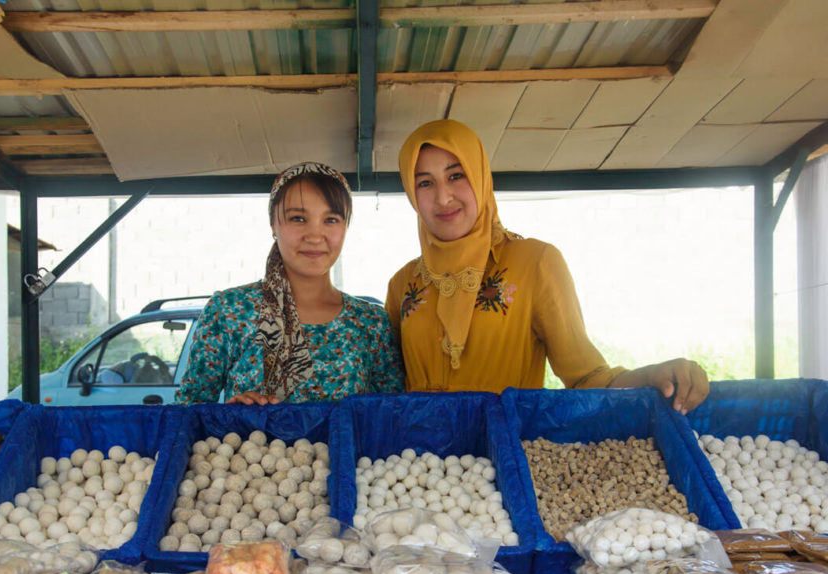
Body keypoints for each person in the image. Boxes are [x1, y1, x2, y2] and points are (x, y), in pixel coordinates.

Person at [385, 119, 709, 413]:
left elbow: (584, 377)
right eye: (425, 183)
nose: (443, 197)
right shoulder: (404, 284)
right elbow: (389, 387)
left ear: (480, 177)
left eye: (456, 175)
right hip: (419, 467)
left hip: (508, 460)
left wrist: (651, 377)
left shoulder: (533, 263)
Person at [177, 162, 405, 405]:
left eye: (331, 219)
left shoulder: (371, 323)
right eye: (298, 218)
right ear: (273, 225)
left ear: (346, 226)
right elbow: (186, 412)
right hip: (248, 444)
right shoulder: (228, 311)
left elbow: (392, 419)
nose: (315, 236)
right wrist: (229, 415)